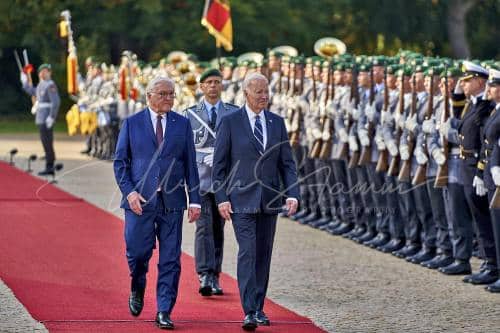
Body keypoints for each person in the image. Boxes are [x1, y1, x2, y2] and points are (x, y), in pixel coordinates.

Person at [212, 73, 299, 331]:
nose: (264, 96)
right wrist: (221, 199)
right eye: (258, 91)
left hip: (269, 200)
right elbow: (219, 167)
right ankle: (249, 310)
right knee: (248, 252)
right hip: (240, 201)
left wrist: (292, 193)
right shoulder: (230, 122)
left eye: (266, 91)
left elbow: (287, 163)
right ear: (245, 94)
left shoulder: (277, 122)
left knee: (263, 255)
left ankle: (259, 307)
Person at [113, 76, 201, 330]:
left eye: (172, 94)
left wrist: (194, 200)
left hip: (172, 202)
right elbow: (120, 163)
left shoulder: (182, 125)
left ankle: (164, 309)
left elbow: (191, 166)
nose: (169, 99)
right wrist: (129, 193)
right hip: (139, 201)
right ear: (149, 95)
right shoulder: (132, 124)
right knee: (138, 253)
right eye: (163, 94)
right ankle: (137, 285)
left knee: (171, 258)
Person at [184, 68, 239, 296]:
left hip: (224, 179)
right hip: (201, 177)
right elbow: (185, 148)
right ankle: (205, 273)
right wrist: (200, 158)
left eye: (217, 82)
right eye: (209, 82)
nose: (213, 86)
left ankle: (215, 273)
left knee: (218, 226)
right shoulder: (190, 114)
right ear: (202, 87)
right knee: (204, 225)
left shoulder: (234, 113)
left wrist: (220, 156)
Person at [21, 63, 60, 175]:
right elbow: (31, 90)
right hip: (41, 118)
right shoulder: (41, 85)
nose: (43, 73)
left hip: (46, 118)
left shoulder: (50, 85)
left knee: (47, 143)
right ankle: (49, 163)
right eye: (41, 72)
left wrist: (51, 117)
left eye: (45, 71)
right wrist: (24, 79)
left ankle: (50, 166)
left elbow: (56, 102)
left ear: (49, 73)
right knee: (45, 142)